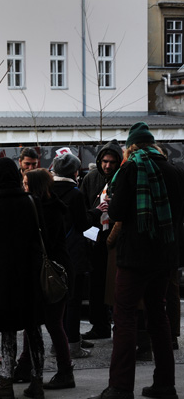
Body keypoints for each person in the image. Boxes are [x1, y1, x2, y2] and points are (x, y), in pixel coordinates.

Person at [92, 123, 184, 399]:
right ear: (153, 145)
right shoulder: (174, 170)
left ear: (131, 146)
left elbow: (118, 211)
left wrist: (110, 200)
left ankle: (120, 386)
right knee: (159, 316)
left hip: (134, 256)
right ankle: (165, 384)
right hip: (165, 256)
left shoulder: (130, 168)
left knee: (125, 317)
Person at [0, 158, 45, 399]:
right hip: (29, 271)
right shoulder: (30, 200)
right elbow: (40, 234)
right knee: (33, 327)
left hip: (2, 273)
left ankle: (6, 382)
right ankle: (38, 382)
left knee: (8, 329)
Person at [22, 168, 74, 392]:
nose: (23, 187)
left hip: (48, 272)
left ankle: (65, 372)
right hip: (57, 269)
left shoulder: (41, 210)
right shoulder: (53, 206)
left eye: (26, 184)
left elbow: (41, 242)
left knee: (51, 323)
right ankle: (27, 366)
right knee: (45, 322)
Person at [50, 152, 93, 360]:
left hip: (52, 252)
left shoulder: (47, 190)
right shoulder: (75, 193)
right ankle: (73, 344)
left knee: (57, 301)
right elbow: (83, 224)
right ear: (75, 171)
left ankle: (56, 342)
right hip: (73, 252)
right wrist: (96, 212)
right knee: (74, 300)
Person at [79, 139, 123, 341]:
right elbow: (83, 206)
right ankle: (100, 325)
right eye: (104, 161)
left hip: (117, 236)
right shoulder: (91, 179)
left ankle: (118, 325)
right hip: (94, 236)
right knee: (96, 283)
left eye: (112, 162)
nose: (107, 165)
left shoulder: (123, 178)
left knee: (117, 284)